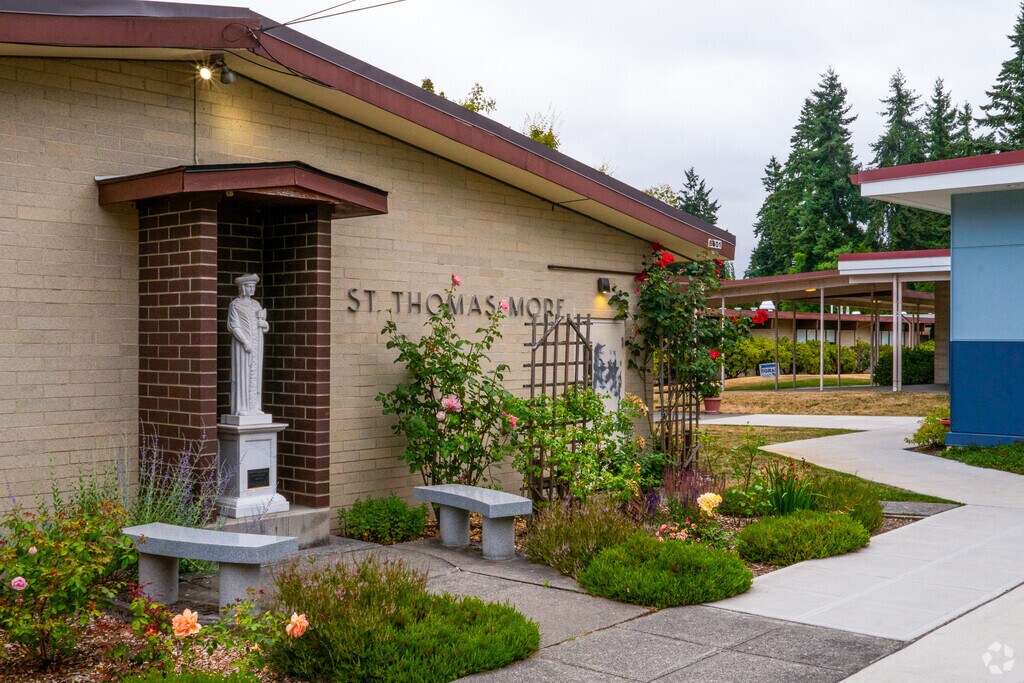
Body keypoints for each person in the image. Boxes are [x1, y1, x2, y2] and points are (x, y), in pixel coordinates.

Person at [227, 274, 269, 416]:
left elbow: (264, 325)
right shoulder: (235, 305)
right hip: (242, 346)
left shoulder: (256, 305)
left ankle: (255, 406)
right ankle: (241, 407)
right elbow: (233, 326)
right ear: (242, 288)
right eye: (249, 287)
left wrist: (264, 324)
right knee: (243, 374)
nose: (252, 290)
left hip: (257, 344)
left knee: (256, 374)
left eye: (253, 287)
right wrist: (245, 341)